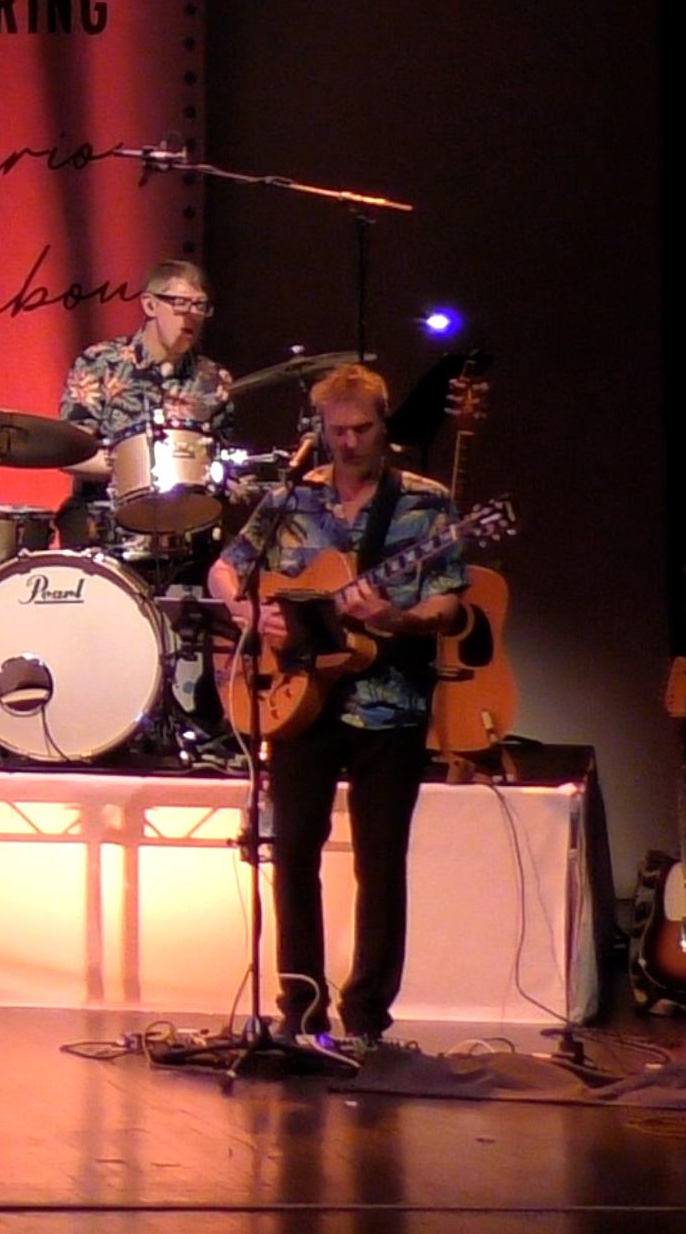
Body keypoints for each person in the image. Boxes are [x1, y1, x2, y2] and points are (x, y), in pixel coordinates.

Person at [207, 362, 471, 1056]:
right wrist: (248, 611)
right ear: (321, 432)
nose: (350, 443)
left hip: (392, 703)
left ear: (385, 426)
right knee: (292, 851)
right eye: (338, 431)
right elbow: (227, 566)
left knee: (380, 864)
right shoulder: (292, 497)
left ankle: (368, 1020)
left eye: (362, 429)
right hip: (299, 699)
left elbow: (450, 600)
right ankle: (300, 1006)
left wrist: (398, 617)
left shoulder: (426, 504)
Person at [60, 257, 239, 549]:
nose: (191, 314)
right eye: (181, 303)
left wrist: (229, 477)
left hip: (185, 527)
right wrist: (137, 465)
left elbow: (219, 461)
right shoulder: (101, 363)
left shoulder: (214, 379)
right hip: (104, 522)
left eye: (200, 306)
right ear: (150, 305)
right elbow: (70, 454)